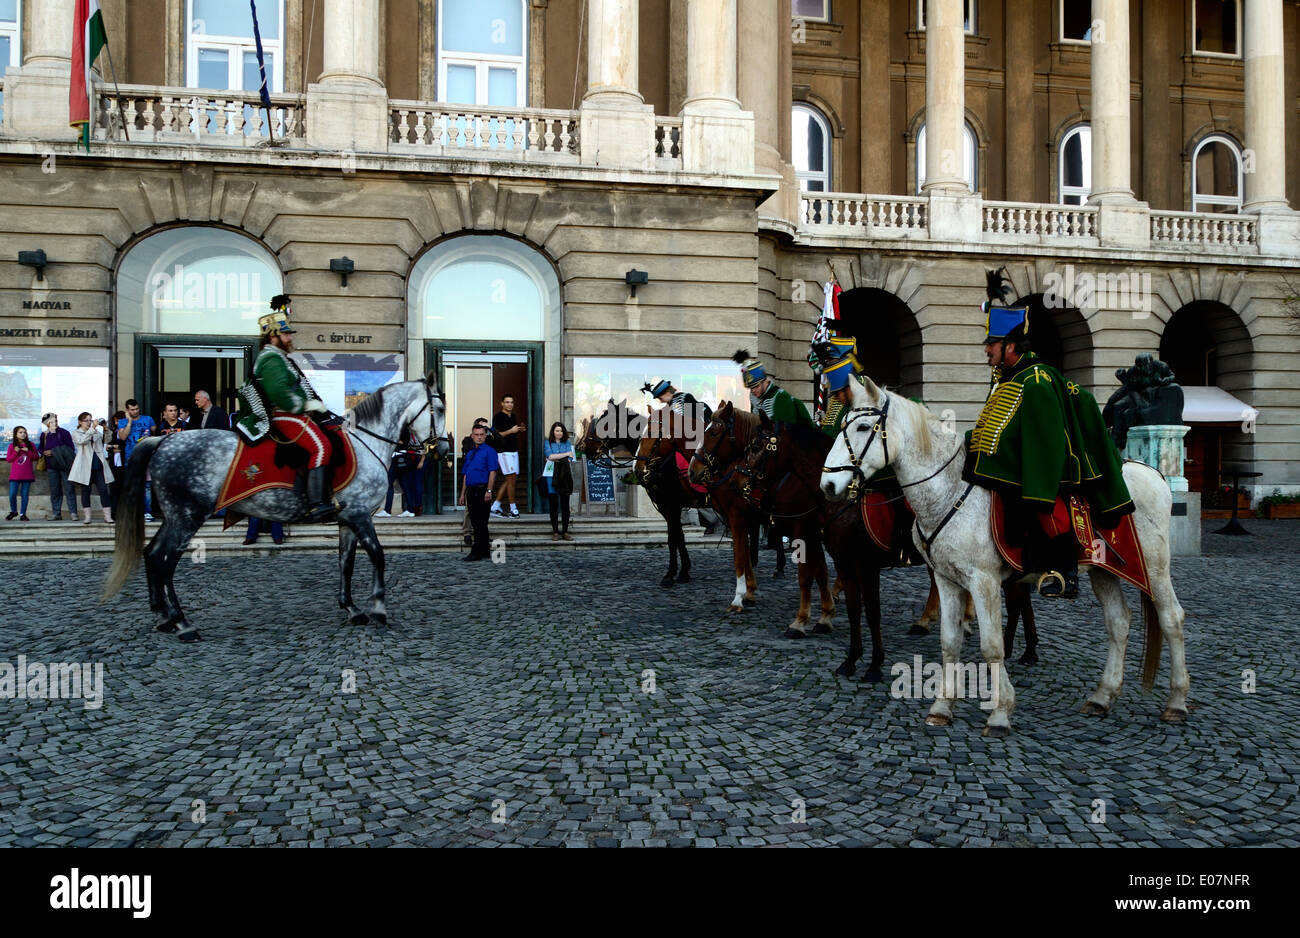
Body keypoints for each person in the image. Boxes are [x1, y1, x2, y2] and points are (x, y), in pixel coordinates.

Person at [963, 278, 1134, 599]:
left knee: (1047, 507)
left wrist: (1034, 483)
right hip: (1021, 466)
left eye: (992, 344)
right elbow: (996, 428)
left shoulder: (1037, 381)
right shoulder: (1009, 379)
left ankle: (1065, 572)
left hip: (1053, 469)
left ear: (1010, 346)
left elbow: (1048, 442)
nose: (986, 350)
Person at [234, 295, 336, 523]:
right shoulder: (271, 358)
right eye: (286, 333)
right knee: (322, 447)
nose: (290, 337)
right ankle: (317, 504)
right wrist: (305, 404)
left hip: (292, 414)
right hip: (284, 415)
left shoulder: (279, 357)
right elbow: (279, 392)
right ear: (274, 336)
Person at [642, 378, 721, 534]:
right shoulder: (675, 403)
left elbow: (682, 427)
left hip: (695, 444)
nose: (660, 400)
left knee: (682, 467)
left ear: (666, 393)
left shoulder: (680, 400)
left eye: (660, 397)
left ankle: (701, 502)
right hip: (693, 442)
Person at [733, 350, 814, 429]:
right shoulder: (754, 398)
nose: (753, 391)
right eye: (751, 388)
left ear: (765, 381)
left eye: (756, 386)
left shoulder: (781, 397)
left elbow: (789, 432)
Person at [459, 423, 497, 561]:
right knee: (476, 522)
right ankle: (484, 550)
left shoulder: (490, 451)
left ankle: (476, 551)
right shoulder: (470, 453)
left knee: (480, 522)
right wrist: (462, 494)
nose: (479, 437)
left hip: (482, 490)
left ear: (485, 436)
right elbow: (465, 475)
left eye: (482, 435)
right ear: (472, 436)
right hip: (471, 490)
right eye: (477, 435)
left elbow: (493, 472)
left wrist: (489, 490)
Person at [69, 412, 114, 524]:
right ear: (80, 422)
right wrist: (92, 428)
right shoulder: (76, 433)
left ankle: (107, 517)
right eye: (86, 420)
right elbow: (81, 441)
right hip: (85, 467)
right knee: (85, 492)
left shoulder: (95, 432)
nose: (89, 422)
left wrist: (106, 429)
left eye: (90, 420)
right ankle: (88, 517)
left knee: (103, 490)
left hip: (98, 465)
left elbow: (107, 441)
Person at [117, 399, 157, 519]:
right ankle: (133, 512)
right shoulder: (122, 422)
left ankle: (147, 511)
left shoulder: (148, 419)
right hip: (131, 456)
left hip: (146, 456)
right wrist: (129, 422)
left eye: (137, 409)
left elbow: (154, 432)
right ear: (127, 410)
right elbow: (123, 437)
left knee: (147, 485)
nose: (135, 411)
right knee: (132, 485)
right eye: (132, 410)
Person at [490, 394, 525, 518]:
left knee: (512, 479)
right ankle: (513, 508)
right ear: (502, 403)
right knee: (510, 479)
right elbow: (497, 434)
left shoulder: (513, 416)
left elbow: (513, 431)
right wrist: (511, 431)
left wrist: (519, 429)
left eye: (511, 402)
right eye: (507, 402)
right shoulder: (498, 417)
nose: (510, 404)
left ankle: (495, 505)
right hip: (503, 452)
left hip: (513, 451)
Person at [38, 413, 77, 521]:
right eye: (51, 421)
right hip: (51, 466)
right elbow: (40, 448)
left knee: (69, 489)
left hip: (65, 465)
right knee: (55, 490)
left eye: (55, 420)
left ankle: (73, 513)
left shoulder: (64, 433)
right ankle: (56, 514)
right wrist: (44, 452)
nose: (54, 422)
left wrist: (54, 451)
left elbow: (70, 448)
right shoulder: (44, 435)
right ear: (46, 424)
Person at [378, 428, 425, 517]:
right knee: (405, 486)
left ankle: (388, 510)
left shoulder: (403, 430)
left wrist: (392, 439)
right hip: (401, 459)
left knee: (390, 484)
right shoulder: (403, 429)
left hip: (398, 459)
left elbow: (403, 442)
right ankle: (410, 510)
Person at [457, 417, 489, 544]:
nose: (480, 435)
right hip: (471, 480)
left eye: (483, 432)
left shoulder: (487, 445)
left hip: (483, 482)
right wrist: (462, 493)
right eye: (479, 431)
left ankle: (480, 533)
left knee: (482, 511)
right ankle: (467, 531)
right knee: (468, 510)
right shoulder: (468, 442)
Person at [542, 421, 576, 541]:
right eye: (557, 430)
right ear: (553, 432)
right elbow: (550, 456)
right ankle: (555, 531)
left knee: (565, 505)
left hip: (564, 475)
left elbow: (571, 457)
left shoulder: (567, 442)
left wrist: (557, 456)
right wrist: (565, 454)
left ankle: (565, 531)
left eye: (561, 431)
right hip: (551, 475)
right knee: (553, 504)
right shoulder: (548, 442)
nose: (559, 433)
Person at [5, 426, 36, 521]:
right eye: (20, 432)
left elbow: (36, 457)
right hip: (15, 475)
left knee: (25, 495)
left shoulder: (31, 444)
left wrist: (28, 451)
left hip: (27, 474)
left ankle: (23, 514)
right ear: (15, 434)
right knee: (12, 494)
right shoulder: (12, 446)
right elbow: (9, 459)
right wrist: (15, 452)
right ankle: (14, 511)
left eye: (24, 432)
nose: (23, 434)